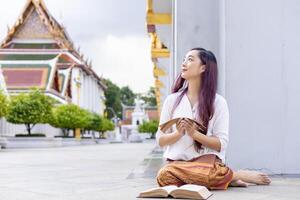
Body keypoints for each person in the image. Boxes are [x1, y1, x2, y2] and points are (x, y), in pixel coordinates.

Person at [155, 47, 271, 189]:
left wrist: (194, 134)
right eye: (184, 59)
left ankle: (227, 176)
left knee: (210, 173)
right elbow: (160, 140)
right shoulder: (171, 100)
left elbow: (220, 144)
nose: (184, 63)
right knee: (164, 175)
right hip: (177, 165)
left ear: (203, 68)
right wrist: (178, 133)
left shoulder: (218, 102)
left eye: (190, 59)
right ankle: (232, 177)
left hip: (207, 165)